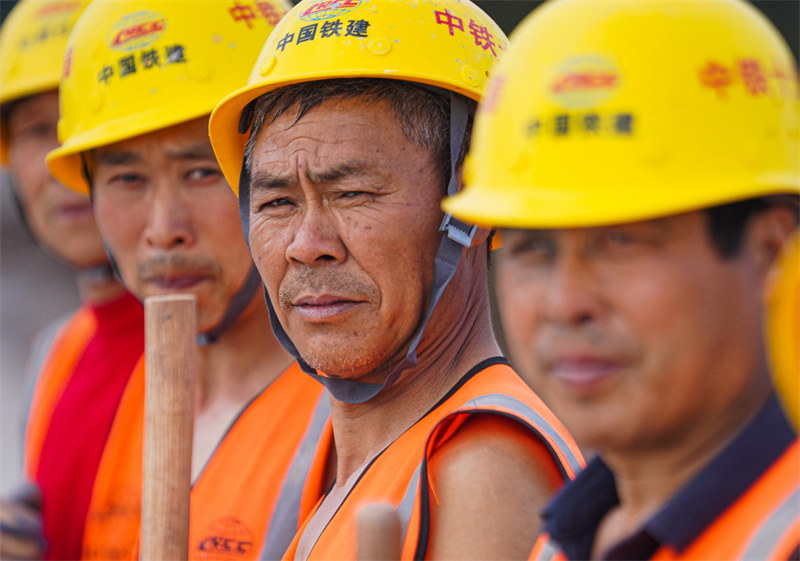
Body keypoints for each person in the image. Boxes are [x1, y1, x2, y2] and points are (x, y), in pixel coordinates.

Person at [208, 0, 585, 559]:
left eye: (352, 194)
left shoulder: (481, 462)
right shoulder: (349, 461)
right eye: (277, 201)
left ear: (472, 209)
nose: (307, 246)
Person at [443, 0, 800, 559]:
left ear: (771, 251)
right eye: (534, 248)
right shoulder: (567, 538)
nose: (566, 303)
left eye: (621, 242)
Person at [45, 1, 330, 559]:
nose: (163, 230)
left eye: (201, 172)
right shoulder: (126, 379)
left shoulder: (348, 414)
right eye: (128, 178)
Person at [0, 1, 144, 558]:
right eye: (40, 130)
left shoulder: (259, 351)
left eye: (92, 115)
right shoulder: (58, 353)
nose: (70, 156)